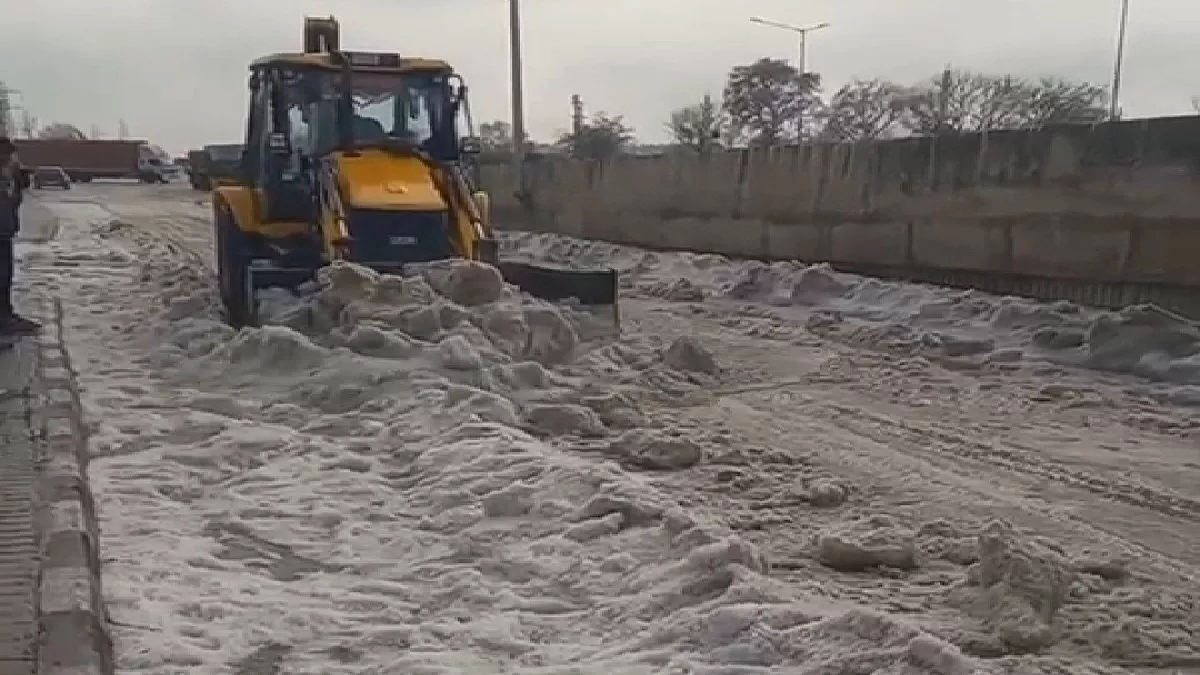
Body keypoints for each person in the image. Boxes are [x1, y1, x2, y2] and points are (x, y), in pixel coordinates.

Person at [0, 137, 41, 335]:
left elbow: (12, 202)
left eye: (9, 154)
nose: (7, 158)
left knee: (6, 276)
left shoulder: (9, 175)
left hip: (4, 233)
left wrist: (19, 182)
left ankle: (6, 315)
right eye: (3, 154)